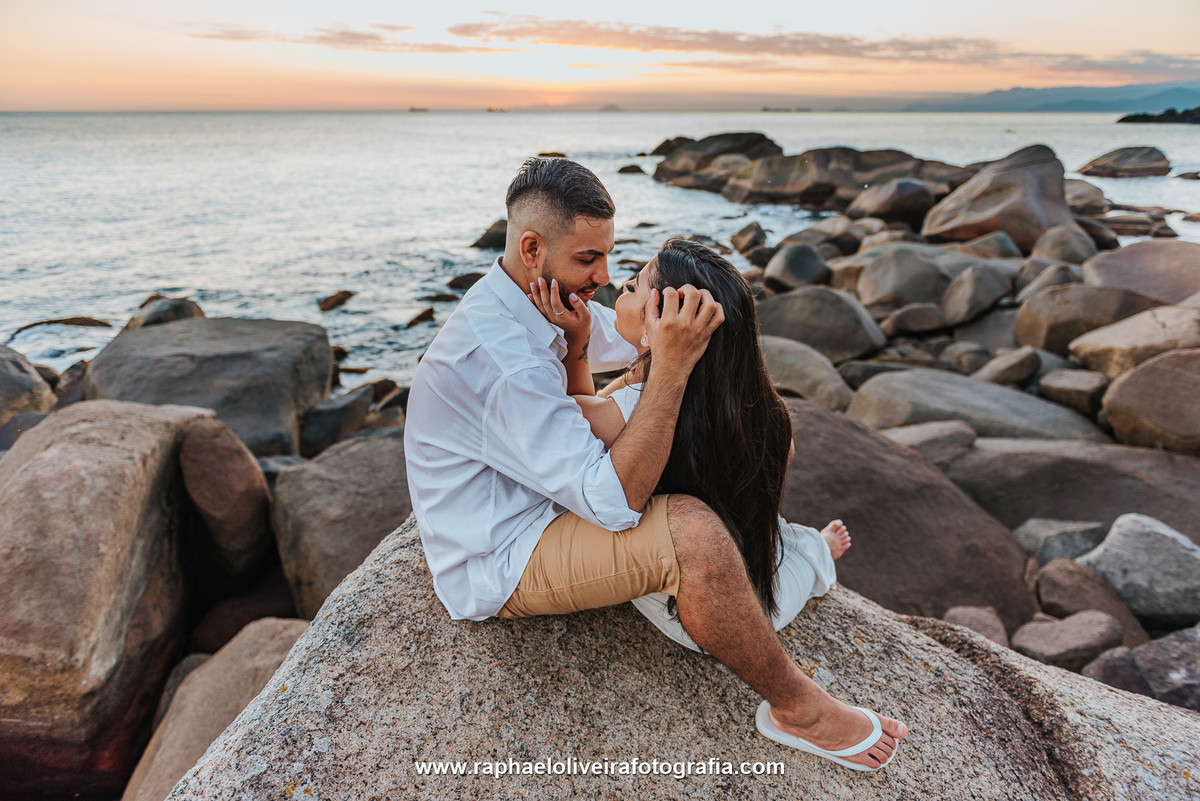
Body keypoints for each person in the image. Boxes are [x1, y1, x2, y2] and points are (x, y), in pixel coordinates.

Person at [405, 157, 907, 771]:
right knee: (693, 530)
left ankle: (786, 553)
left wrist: (677, 339)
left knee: (696, 412)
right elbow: (613, 504)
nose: (603, 278)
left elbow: (640, 337)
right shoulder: (502, 361)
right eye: (588, 259)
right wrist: (668, 365)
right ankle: (801, 708)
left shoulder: (545, 300)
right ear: (532, 248)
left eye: (610, 258)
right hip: (501, 549)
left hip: (545, 492)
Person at [526, 236, 851, 654]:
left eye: (635, 285)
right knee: (788, 552)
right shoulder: (761, 407)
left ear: (658, 326)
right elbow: (779, 461)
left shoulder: (621, 415)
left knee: (775, 578)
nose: (622, 285)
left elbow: (572, 419)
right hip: (754, 566)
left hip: (688, 607)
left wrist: (576, 342)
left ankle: (813, 548)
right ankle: (817, 548)